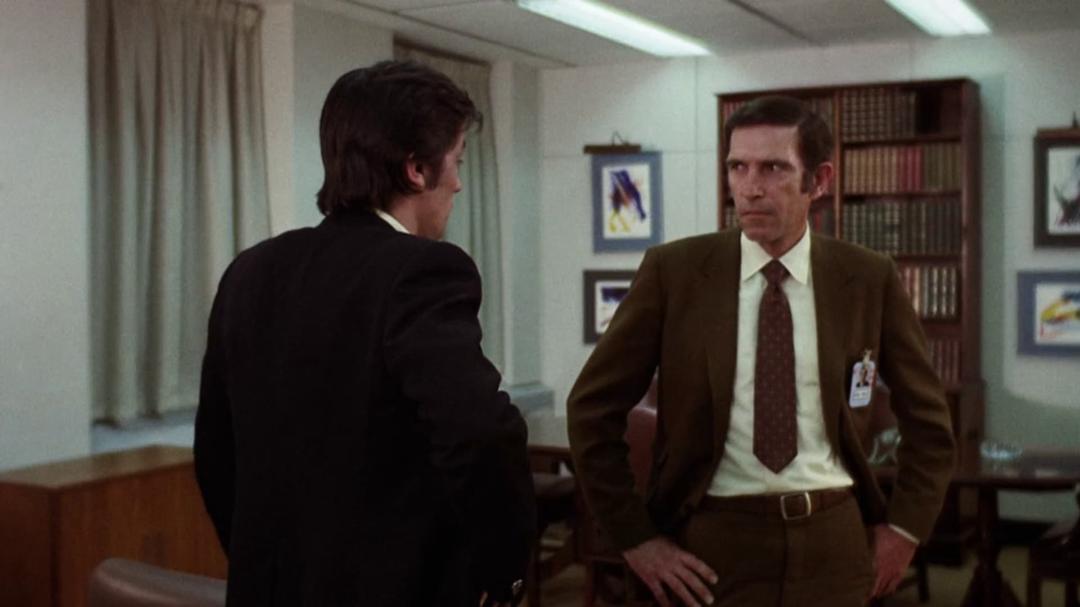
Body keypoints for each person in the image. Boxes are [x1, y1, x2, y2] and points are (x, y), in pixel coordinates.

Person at [567, 95, 954, 607]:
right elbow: (591, 409)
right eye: (738, 167)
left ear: (819, 180)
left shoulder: (866, 277)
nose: (750, 188)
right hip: (711, 544)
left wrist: (905, 530)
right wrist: (635, 538)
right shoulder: (676, 272)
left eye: (773, 168)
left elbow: (929, 422)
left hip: (834, 541)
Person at [194, 60, 535, 607]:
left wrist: (263, 562)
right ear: (417, 169)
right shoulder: (423, 271)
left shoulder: (250, 271)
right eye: (457, 161)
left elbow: (216, 452)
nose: (458, 182)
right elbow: (482, 435)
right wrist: (504, 575)